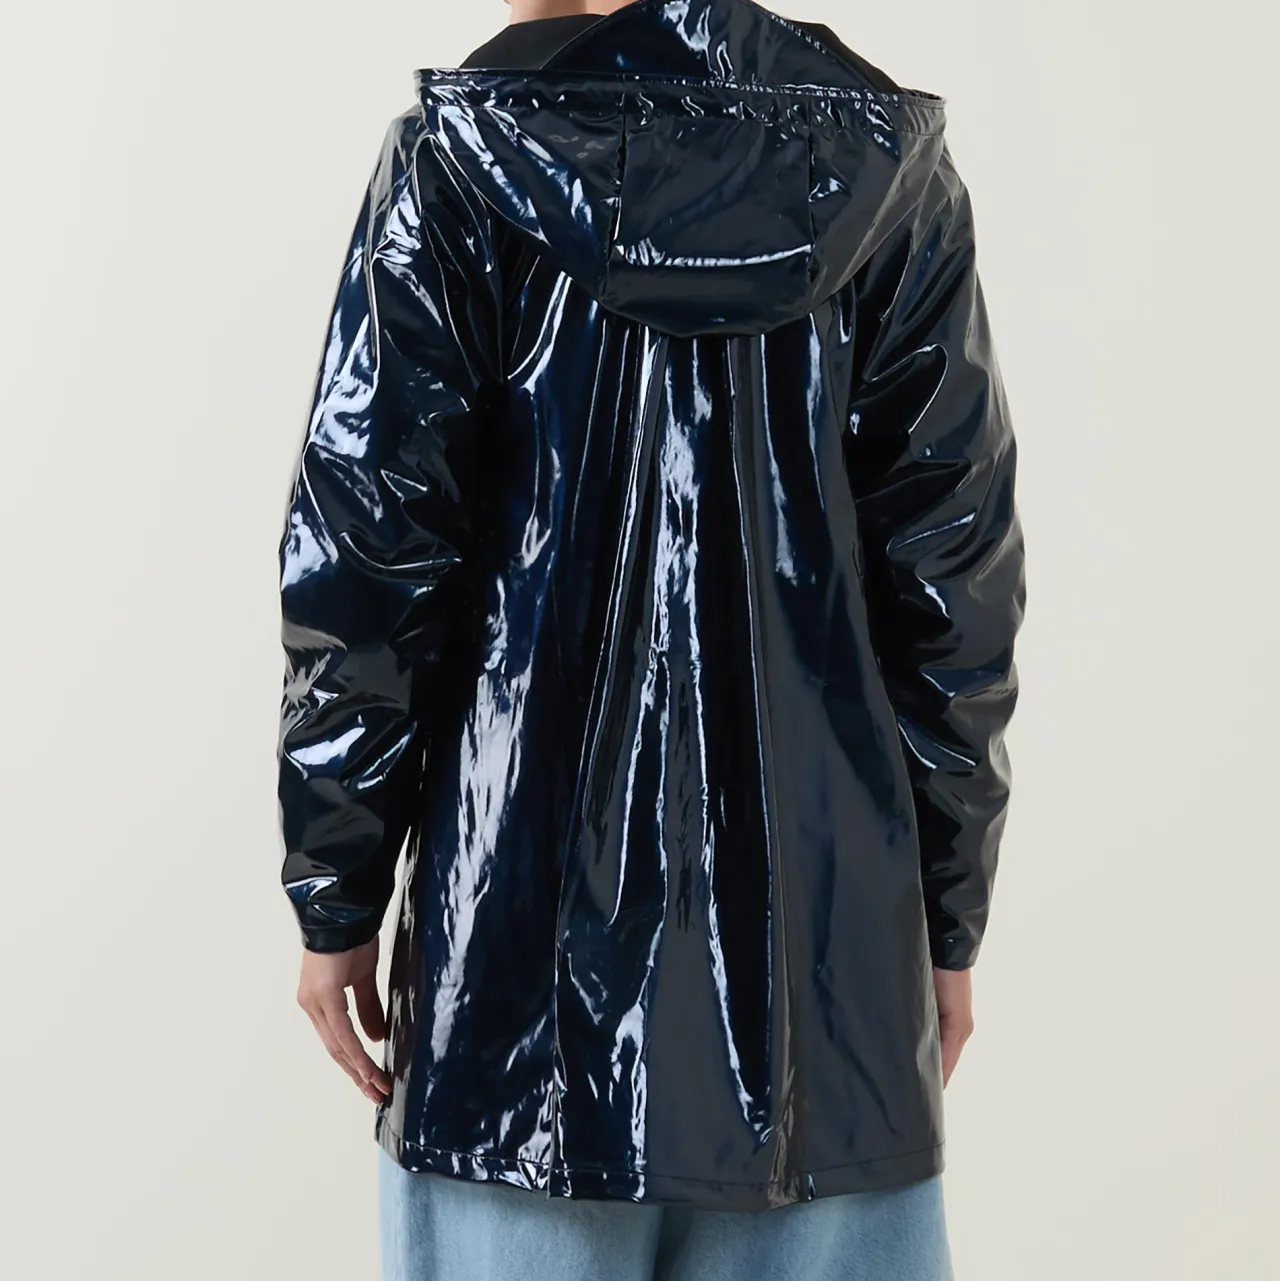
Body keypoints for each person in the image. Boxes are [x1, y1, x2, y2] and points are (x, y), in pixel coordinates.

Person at [276, 0, 1026, 1276]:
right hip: (828, 1002)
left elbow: (368, 550)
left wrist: (334, 889)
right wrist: (943, 921)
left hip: (512, 1005)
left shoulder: (460, 159)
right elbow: (953, 582)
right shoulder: (888, 171)